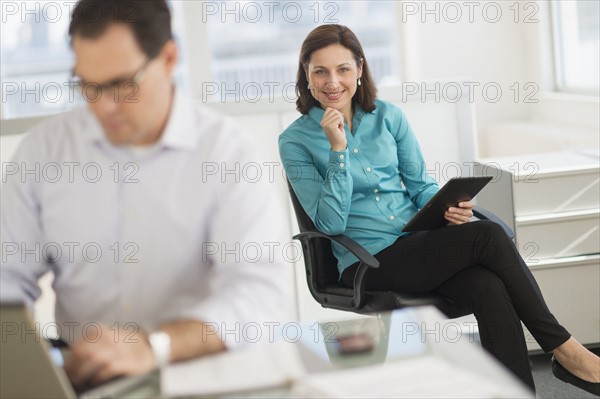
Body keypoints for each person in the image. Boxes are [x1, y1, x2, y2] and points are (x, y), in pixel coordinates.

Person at [279, 24, 600, 395]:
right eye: (320, 71)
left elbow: (421, 186)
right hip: (366, 265)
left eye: (343, 69)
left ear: (360, 70)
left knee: (489, 286)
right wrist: (337, 151)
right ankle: (568, 351)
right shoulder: (294, 141)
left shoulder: (389, 117)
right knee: (488, 234)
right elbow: (330, 223)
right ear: (306, 75)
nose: (332, 81)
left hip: (418, 247)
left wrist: (449, 208)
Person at [1, 0, 289, 387]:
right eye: (88, 85)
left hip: (203, 377)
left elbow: (261, 298)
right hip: (86, 381)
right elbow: (6, 280)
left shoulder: (227, 153)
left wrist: (155, 346)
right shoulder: (43, 152)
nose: (103, 106)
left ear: (169, 58)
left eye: (121, 85)